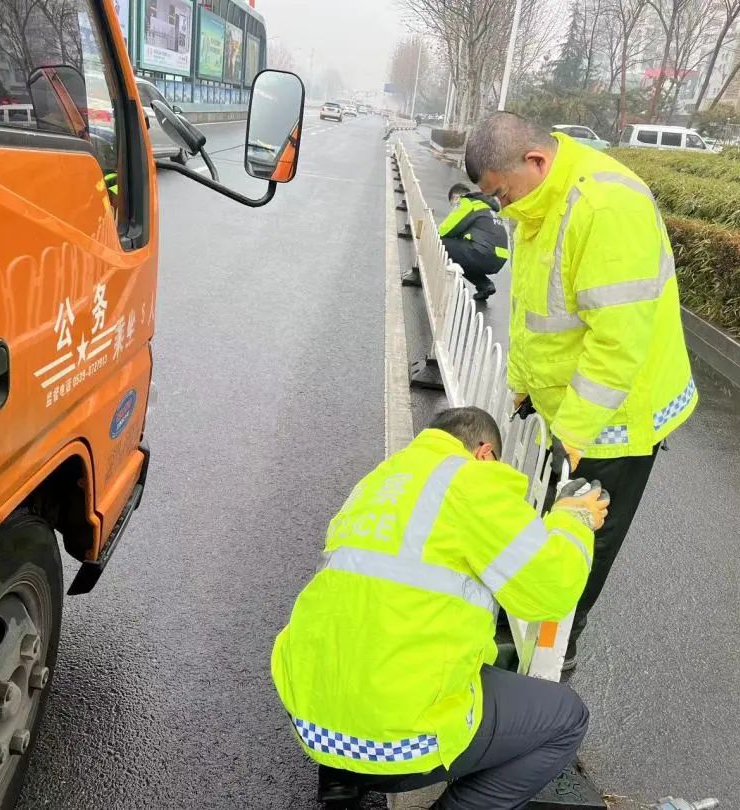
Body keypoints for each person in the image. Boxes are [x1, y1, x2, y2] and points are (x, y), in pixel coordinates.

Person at [271, 407, 609, 810]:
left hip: (309, 719)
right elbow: (549, 591)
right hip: (396, 744)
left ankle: (341, 782)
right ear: (485, 453)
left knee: (360, 630)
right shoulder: (471, 480)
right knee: (565, 720)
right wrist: (573, 520)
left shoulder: (380, 481)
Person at [464, 112, 698, 676]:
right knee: (552, 526)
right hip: (570, 412)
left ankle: (553, 658)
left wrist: (572, 433)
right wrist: (523, 383)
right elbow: (531, 310)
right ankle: (524, 635)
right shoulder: (542, 202)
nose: (502, 207)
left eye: (502, 193)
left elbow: (618, 344)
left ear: (536, 161)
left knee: (584, 543)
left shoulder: (605, 208)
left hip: (615, 419)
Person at [437, 183, 509, 301]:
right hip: (498, 258)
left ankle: (457, 287)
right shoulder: (487, 208)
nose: (454, 207)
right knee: (463, 254)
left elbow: (445, 230)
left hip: (482, 253)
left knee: (441, 243)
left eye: (453, 203)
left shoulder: (467, 202)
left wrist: (430, 235)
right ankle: (485, 285)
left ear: (456, 197)